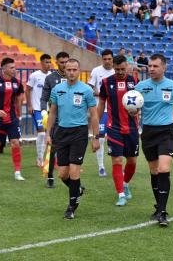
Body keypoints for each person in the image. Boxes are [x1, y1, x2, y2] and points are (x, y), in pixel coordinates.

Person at [134, 54, 173, 227]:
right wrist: (132, 111)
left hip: (166, 131)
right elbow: (133, 108)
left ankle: (163, 211)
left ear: (164, 68)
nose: (151, 69)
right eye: (150, 66)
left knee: (163, 168)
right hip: (148, 132)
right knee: (154, 171)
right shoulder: (140, 87)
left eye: (155, 66)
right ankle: (159, 206)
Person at [46, 59, 100, 219]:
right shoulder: (57, 89)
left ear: (79, 71)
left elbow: (94, 115)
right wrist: (48, 133)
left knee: (74, 170)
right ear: (64, 70)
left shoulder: (86, 90)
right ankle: (77, 190)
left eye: (74, 69)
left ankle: (71, 207)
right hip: (61, 132)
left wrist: (96, 137)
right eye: (68, 69)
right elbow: (53, 113)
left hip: (79, 133)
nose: (71, 72)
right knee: (63, 174)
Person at [97, 55, 139, 206]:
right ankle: (120, 194)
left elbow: (140, 100)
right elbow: (101, 103)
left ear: (127, 66)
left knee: (132, 162)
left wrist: (137, 110)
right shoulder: (107, 83)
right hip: (113, 128)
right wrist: (97, 124)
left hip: (132, 128)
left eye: (123, 69)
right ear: (113, 67)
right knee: (117, 160)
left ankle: (126, 184)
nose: (120, 72)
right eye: (117, 69)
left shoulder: (134, 81)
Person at [0, 58, 25, 181]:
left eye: (14, 67)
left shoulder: (17, 83)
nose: (14, 70)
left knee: (15, 142)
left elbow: (19, 99)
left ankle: (17, 172)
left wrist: (19, 114)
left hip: (12, 119)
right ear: (4, 69)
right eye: (11, 67)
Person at [40, 52, 70, 188]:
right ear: (56, 62)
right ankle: (50, 176)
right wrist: (43, 112)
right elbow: (44, 98)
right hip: (56, 119)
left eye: (66, 62)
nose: (64, 65)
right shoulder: (51, 78)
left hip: (71, 119)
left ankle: (70, 175)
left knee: (71, 148)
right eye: (62, 62)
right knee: (54, 148)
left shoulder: (73, 77)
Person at [88, 50, 115, 177]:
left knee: (116, 139)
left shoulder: (117, 72)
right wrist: (100, 94)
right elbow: (89, 88)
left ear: (112, 59)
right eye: (105, 59)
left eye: (109, 59)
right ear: (102, 59)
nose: (107, 61)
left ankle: (117, 165)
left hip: (114, 111)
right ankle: (101, 167)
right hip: (101, 110)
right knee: (101, 138)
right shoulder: (96, 71)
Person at [26, 54, 51, 168]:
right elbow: (27, 90)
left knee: (49, 134)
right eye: (46, 62)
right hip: (37, 108)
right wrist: (29, 105)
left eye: (49, 62)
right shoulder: (34, 76)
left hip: (50, 109)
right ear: (41, 63)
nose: (48, 64)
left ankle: (48, 159)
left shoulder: (52, 76)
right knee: (41, 133)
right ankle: (39, 158)